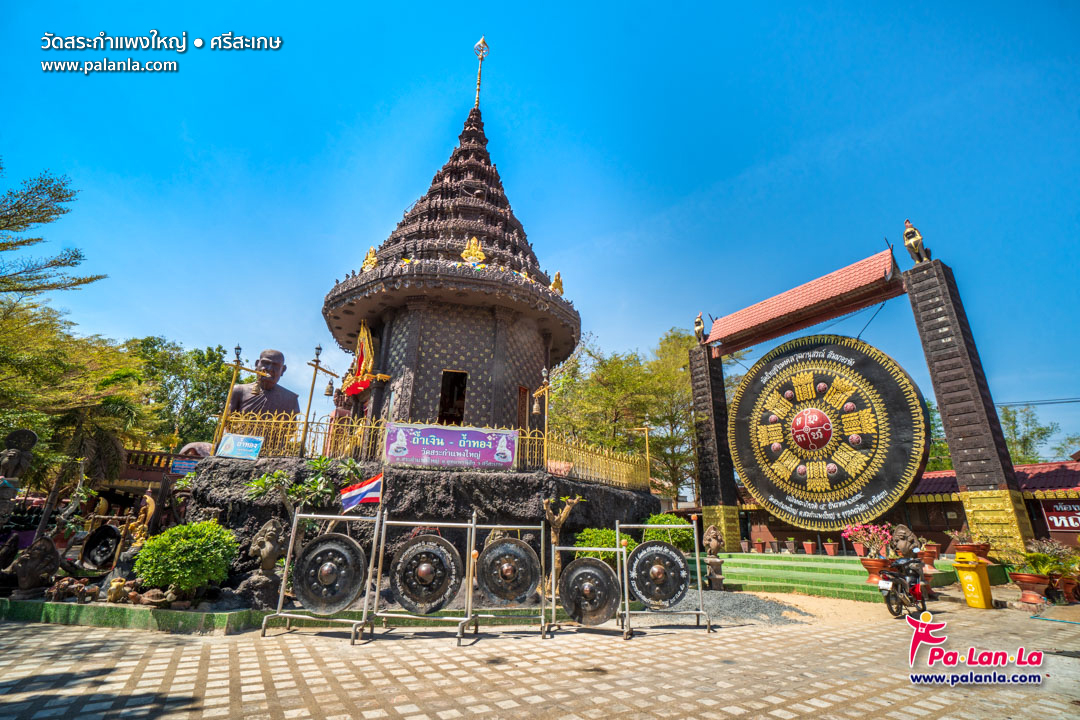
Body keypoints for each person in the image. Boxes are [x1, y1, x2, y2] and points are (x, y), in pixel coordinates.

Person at [228, 349, 300, 416]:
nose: (269, 369)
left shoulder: (290, 399)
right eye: (265, 363)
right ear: (256, 364)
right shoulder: (240, 390)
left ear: (283, 370)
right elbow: (226, 422)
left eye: (275, 365)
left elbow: (293, 428)